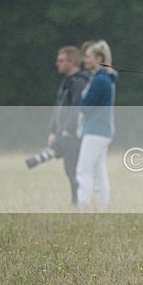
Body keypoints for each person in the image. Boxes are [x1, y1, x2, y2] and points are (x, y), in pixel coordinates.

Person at [76, 40, 117, 210]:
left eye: (88, 57)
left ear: (98, 58)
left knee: (83, 170)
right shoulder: (104, 78)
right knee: (99, 171)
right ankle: (103, 206)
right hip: (102, 131)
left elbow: (86, 105)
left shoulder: (100, 80)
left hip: (95, 131)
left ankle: (83, 205)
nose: (85, 60)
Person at [48, 45, 91, 205]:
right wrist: (53, 131)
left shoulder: (79, 82)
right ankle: (76, 200)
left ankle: (78, 201)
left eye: (61, 60)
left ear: (72, 62)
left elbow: (77, 109)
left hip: (72, 135)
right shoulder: (67, 82)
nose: (57, 64)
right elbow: (58, 108)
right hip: (62, 133)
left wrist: (68, 129)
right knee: (69, 169)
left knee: (74, 170)